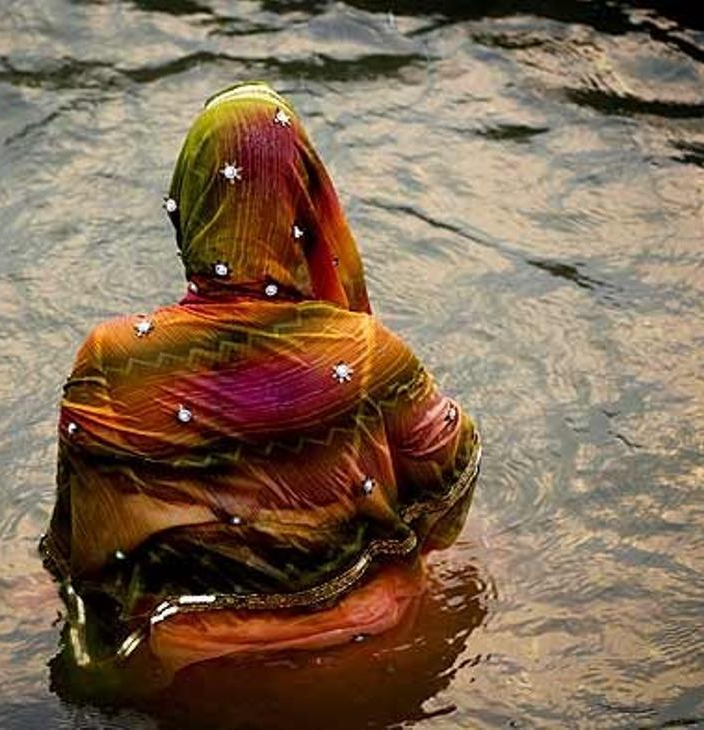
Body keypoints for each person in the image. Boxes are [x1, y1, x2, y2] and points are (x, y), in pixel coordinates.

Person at [40, 81, 481, 683]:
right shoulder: (368, 350)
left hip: (199, 666)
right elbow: (446, 492)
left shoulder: (113, 359)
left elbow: (84, 558)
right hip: (367, 642)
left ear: (189, 202)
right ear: (307, 204)